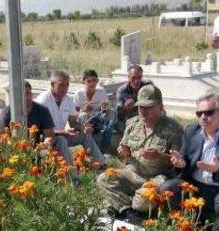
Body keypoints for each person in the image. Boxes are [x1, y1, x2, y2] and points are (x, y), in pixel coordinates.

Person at [162, 90, 219, 231]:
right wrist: (182, 163)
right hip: (195, 185)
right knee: (168, 188)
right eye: (199, 113)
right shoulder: (192, 131)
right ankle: (183, 226)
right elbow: (185, 162)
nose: (203, 117)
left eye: (209, 112)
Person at [97, 84, 182, 222]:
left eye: (148, 107)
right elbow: (125, 155)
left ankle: (121, 204)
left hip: (157, 177)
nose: (143, 111)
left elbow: (177, 163)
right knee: (104, 178)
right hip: (133, 172)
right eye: (140, 107)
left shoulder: (173, 129)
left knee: (142, 201)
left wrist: (159, 156)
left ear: (160, 107)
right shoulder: (132, 124)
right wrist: (124, 152)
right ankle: (128, 212)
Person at [36, 70, 105, 168]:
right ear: (52, 84)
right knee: (61, 140)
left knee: (85, 135)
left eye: (67, 85)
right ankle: (70, 173)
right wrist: (64, 132)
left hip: (62, 135)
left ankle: (101, 163)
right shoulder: (43, 101)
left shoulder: (67, 100)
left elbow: (73, 122)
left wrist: (82, 128)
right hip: (45, 138)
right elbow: (41, 131)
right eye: (61, 85)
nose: (65, 88)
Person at [74, 70, 115, 152]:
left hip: (97, 118)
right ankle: (89, 140)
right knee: (83, 115)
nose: (92, 83)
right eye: (89, 81)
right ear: (83, 82)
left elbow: (104, 110)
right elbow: (74, 114)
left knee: (112, 114)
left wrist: (103, 108)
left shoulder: (101, 91)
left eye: (94, 80)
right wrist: (84, 110)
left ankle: (105, 144)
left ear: (97, 81)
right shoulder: (79, 94)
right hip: (84, 120)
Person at [115, 64, 152, 134]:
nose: (136, 81)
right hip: (130, 120)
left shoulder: (147, 86)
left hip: (146, 117)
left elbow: (155, 103)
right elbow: (119, 115)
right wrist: (125, 108)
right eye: (133, 78)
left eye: (139, 77)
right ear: (128, 77)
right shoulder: (122, 91)